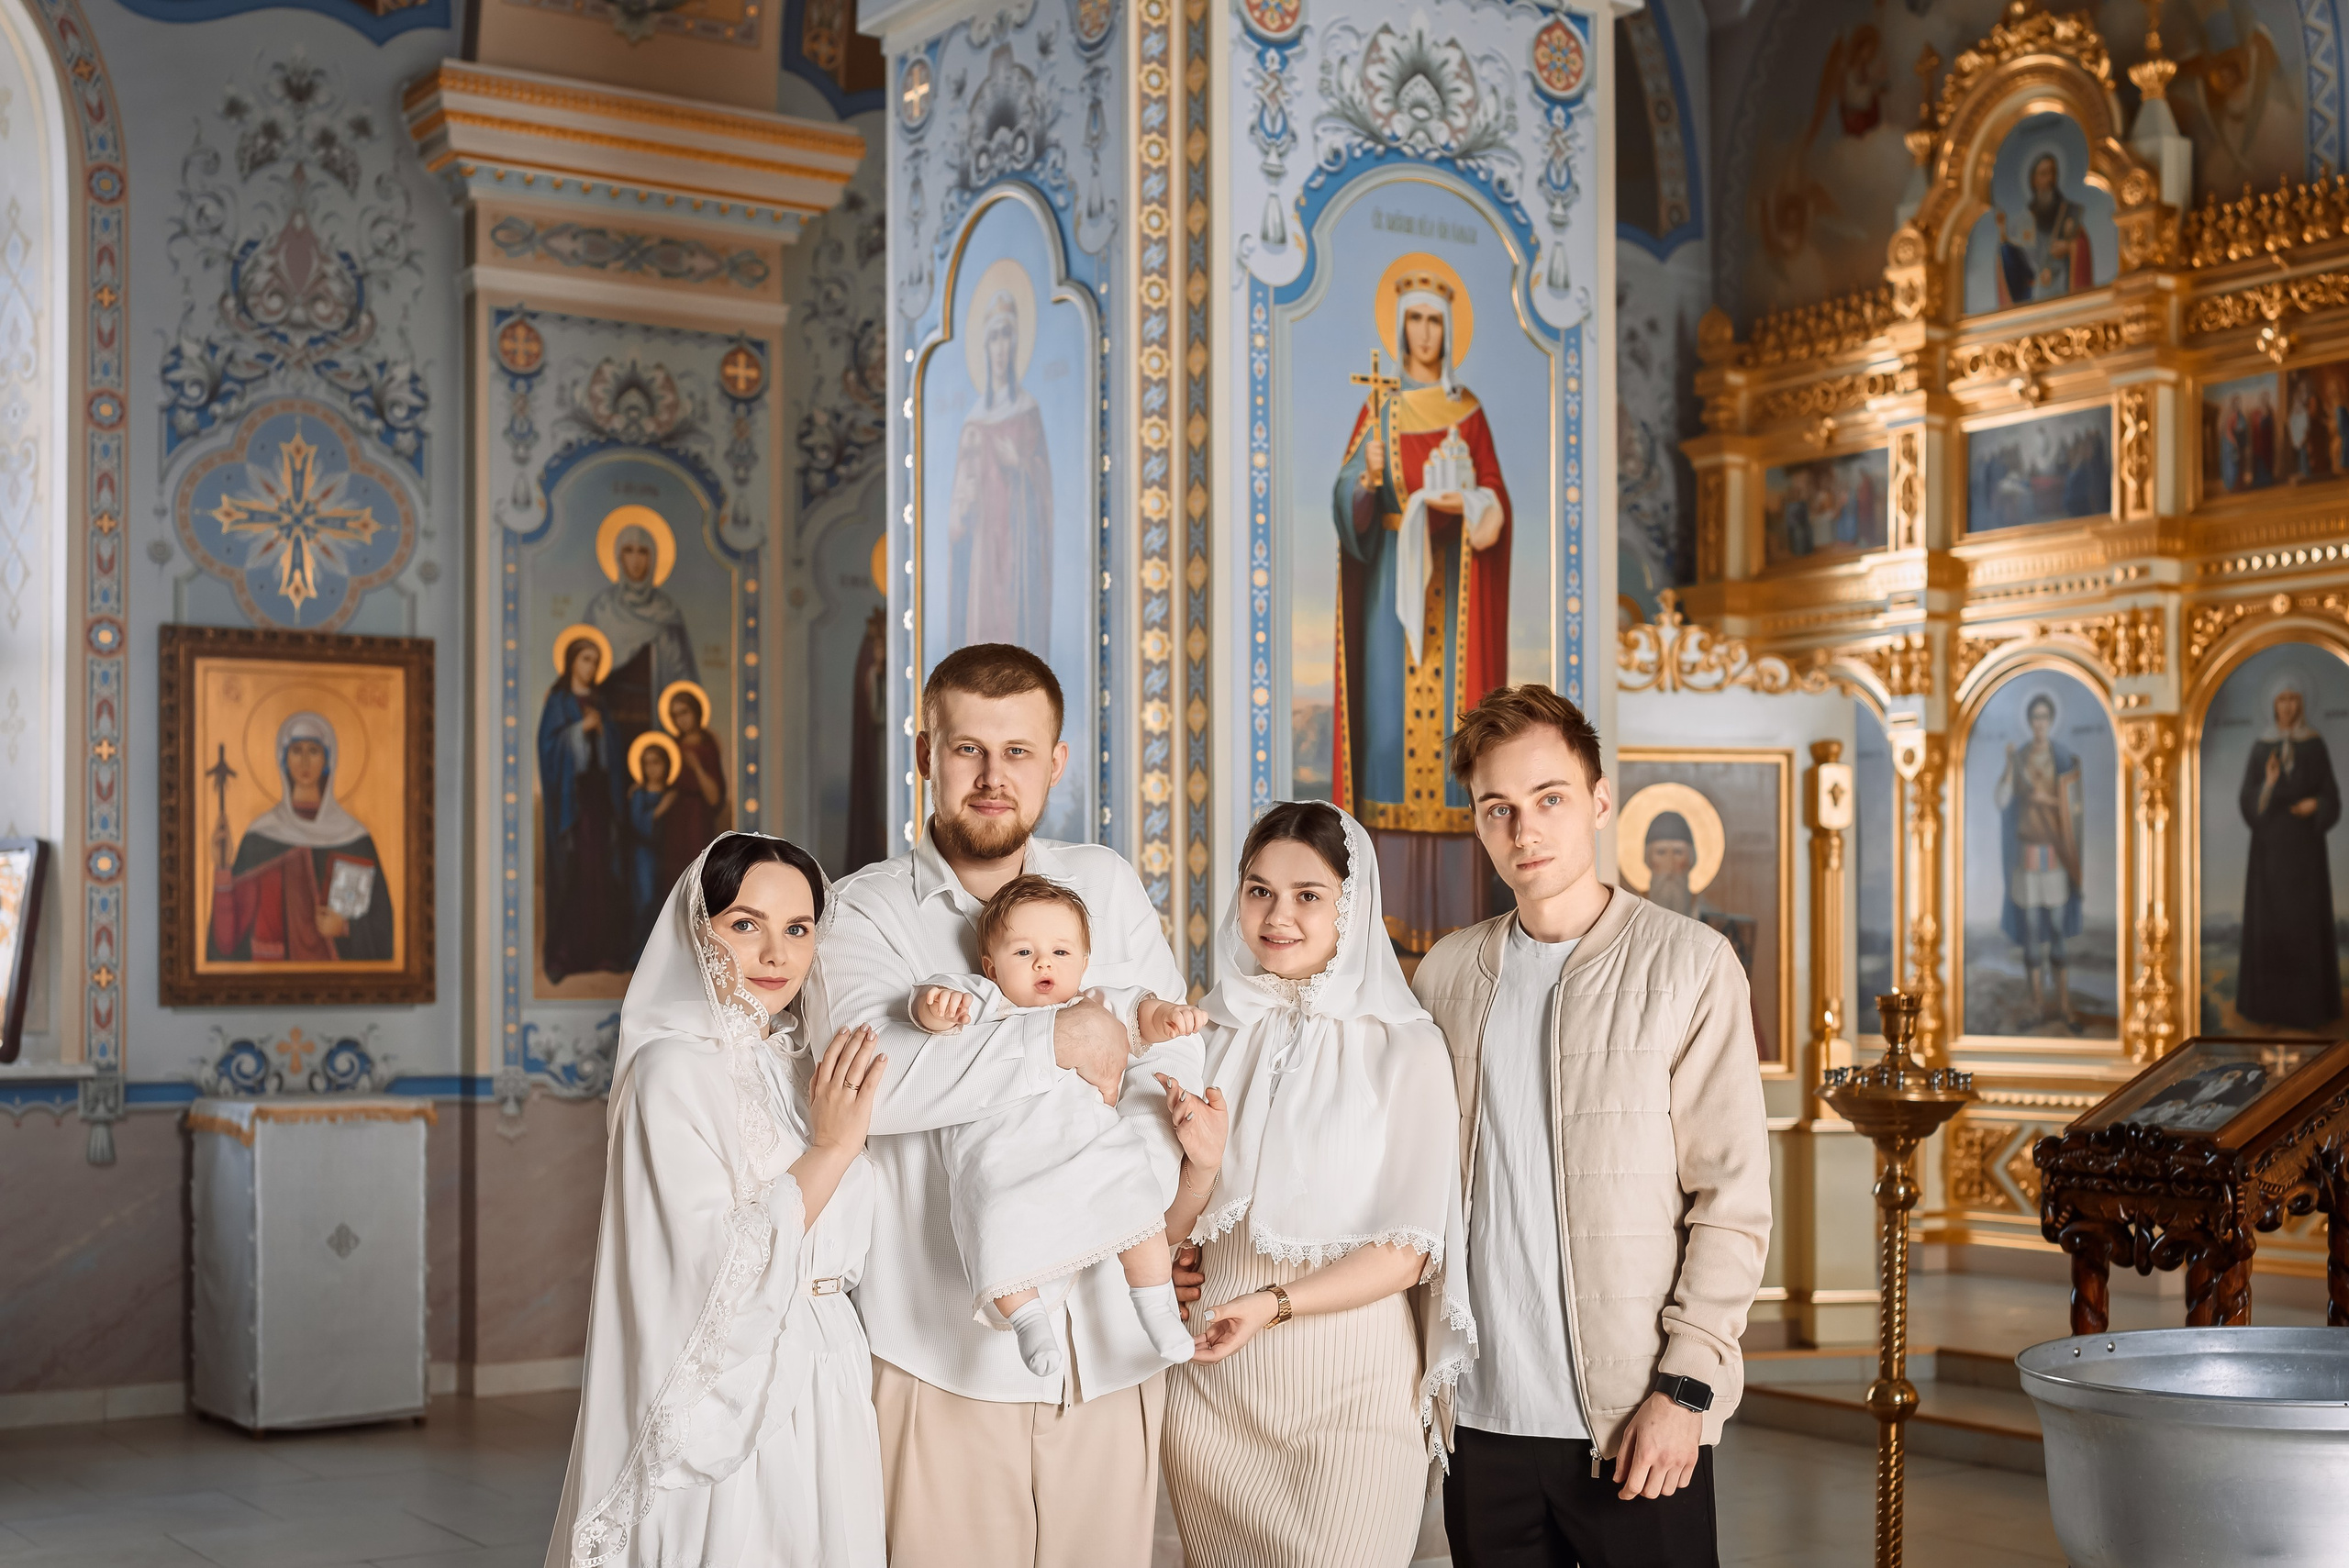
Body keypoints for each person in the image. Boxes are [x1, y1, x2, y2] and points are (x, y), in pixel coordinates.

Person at [803, 642, 1215, 1568]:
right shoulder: (859, 912)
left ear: (1056, 761)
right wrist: (1059, 1039)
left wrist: (1113, 1207)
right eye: (967, 750)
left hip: (1109, 1339)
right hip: (938, 1347)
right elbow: (875, 1086)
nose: (993, 778)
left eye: (1019, 751)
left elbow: (1169, 1069)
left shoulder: (1103, 882)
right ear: (924, 755)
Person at [1412, 683, 1771, 1568]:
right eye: (1497, 808)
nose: (1523, 830)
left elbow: (1731, 1200)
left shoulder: (1690, 965)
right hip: (1481, 1421)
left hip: (1631, 1419)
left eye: (1549, 799)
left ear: (1600, 800)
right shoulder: (1447, 975)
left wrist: (1684, 1392)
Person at [545, 833, 889, 1568]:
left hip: (830, 1373)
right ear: (696, 932)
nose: (776, 954)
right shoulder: (670, 1071)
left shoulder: (805, 1069)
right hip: (736, 1397)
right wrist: (830, 1150)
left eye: (798, 928)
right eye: (745, 924)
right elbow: (713, 1263)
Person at [1162, 801, 1474, 1568]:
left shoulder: (1407, 1048)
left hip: (1352, 1384)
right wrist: (1193, 1189)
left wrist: (1272, 1305)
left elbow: (1408, 1251)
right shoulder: (1205, 1030)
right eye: (1259, 889)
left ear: (1354, 903)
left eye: (1309, 894)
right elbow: (1169, 1222)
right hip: (1213, 1385)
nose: (1279, 915)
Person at [913, 874, 1210, 1373]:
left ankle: (1157, 1309)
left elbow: (1143, 1012)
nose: (1044, 963)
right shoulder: (990, 1003)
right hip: (1001, 1157)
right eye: (1023, 953)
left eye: (1060, 952)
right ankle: (1029, 1320)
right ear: (991, 966)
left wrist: (1169, 1018)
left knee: (1137, 1211)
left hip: (1088, 1147)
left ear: (1085, 963)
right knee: (991, 1222)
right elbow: (929, 1002)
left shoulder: (1092, 1003)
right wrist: (935, 1008)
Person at [1330, 258, 1514, 954]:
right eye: (1416, 318)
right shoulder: (1380, 409)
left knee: (1453, 752)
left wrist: (1474, 502)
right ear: (1401, 327)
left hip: (1454, 599)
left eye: (1438, 319)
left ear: (1449, 330)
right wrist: (1368, 483)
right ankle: (1385, 924)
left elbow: (1494, 496)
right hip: (1388, 606)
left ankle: (1457, 923)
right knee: (1385, 746)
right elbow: (1348, 497)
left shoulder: (1467, 413)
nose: (1427, 331)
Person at [207, 711, 395, 962]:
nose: (305, 761)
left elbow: (383, 929)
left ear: (328, 759)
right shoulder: (261, 835)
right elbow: (227, 942)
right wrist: (222, 868)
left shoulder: (354, 837)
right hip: (270, 981)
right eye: (296, 751)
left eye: (314, 751)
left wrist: (345, 928)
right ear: (283, 759)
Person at [948, 290, 1054, 651]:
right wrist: (963, 507)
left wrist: (1022, 466)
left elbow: (1045, 490)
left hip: (1017, 543)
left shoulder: (1028, 412)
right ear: (984, 346)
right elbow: (956, 519)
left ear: (1016, 342)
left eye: (1006, 336)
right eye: (993, 338)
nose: (1000, 347)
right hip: (984, 549)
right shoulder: (974, 423)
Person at [2237, 673, 2343, 1029]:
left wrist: (2317, 804)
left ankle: (2309, 1012)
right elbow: (2247, 802)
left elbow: (2333, 798)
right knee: (2271, 926)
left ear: (2302, 704)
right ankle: (2268, 1012)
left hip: (2306, 853)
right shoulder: (2260, 747)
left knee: (2305, 927)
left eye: (2294, 699)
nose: (2288, 707)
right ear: (2273, 705)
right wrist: (2267, 785)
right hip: (2268, 856)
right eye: (2282, 700)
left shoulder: (2314, 745)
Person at [540, 630, 629, 981]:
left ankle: (604, 951)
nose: (591, 667)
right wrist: (578, 731)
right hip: (571, 801)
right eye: (585, 659)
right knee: (574, 871)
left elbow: (615, 752)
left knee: (603, 872)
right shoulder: (559, 700)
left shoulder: (600, 703)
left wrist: (603, 732)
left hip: (599, 799)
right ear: (572, 662)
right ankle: (567, 954)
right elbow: (548, 747)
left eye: (595, 660)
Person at [1995, 691, 2086, 1032]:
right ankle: (2036, 1004)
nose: (2040, 724)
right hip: (2027, 856)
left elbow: (2072, 809)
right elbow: (2003, 800)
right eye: (2035, 718)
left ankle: (2063, 1005)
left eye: (2045, 717)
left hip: (2055, 856)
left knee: (2059, 931)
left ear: (2051, 721)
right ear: (2030, 722)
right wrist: (2008, 770)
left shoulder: (2063, 760)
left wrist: (2045, 798)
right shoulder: (2018, 760)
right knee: (2032, 931)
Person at [585, 512, 700, 740]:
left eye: (643, 552)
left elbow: (683, 676)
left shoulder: (667, 612)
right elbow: (582, 670)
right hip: (609, 719)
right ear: (619, 557)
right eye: (629, 551)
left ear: (653, 558)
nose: (636, 560)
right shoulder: (601, 609)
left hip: (654, 719)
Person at [1994, 151, 2093, 306]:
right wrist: (2002, 232)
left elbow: (2080, 242)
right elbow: (2016, 259)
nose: (2049, 179)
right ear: (2034, 181)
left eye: (2052, 173)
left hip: (2065, 287)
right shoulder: (2024, 221)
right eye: (2043, 174)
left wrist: (2070, 247)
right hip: (2036, 293)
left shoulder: (2067, 213)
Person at [622, 741, 677, 953]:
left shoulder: (674, 794)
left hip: (669, 855)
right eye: (646, 764)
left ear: (667, 764)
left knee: (664, 902)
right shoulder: (639, 794)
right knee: (645, 901)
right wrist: (660, 809)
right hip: (644, 855)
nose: (652, 768)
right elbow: (639, 825)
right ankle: (639, 952)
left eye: (656, 762)